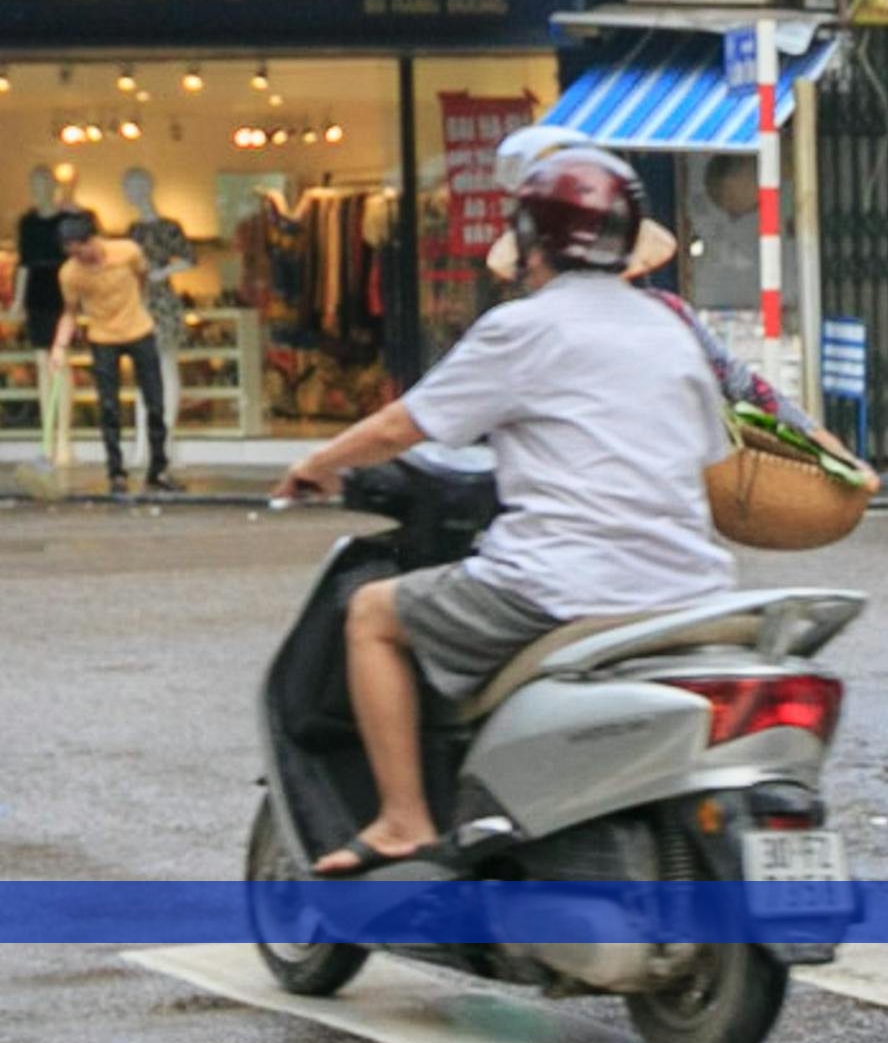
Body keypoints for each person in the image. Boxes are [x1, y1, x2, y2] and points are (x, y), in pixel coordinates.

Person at [273, 148, 735, 876]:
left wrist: (316, 464)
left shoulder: (523, 328)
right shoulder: (670, 331)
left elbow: (404, 426)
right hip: (691, 587)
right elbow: (710, 458)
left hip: (562, 583)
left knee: (371, 614)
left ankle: (401, 821)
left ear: (532, 242)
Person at [47, 214, 173, 496]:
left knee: (155, 403)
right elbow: (70, 312)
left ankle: (158, 469)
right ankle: (116, 472)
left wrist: (132, 307)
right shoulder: (70, 274)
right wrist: (59, 346)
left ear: (93, 239)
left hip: (139, 330)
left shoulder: (127, 251)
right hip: (102, 337)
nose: (80, 257)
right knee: (108, 407)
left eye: (82, 250)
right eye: (72, 253)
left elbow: (142, 279)